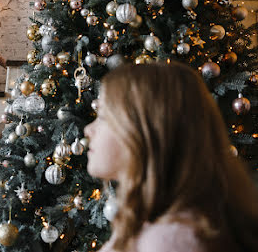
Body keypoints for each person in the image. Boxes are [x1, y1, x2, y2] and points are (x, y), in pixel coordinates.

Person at [84, 62, 258, 252]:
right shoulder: (151, 226)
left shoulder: (170, 242)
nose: (88, 130)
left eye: (102, 116)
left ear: (144, 131)